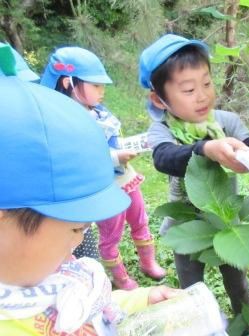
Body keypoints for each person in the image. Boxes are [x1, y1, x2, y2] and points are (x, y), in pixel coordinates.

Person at [139, 34, 249, 317]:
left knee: (238, 282)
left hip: (227, 224)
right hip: (187, 228)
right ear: (159, 99)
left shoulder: (227, 122)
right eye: (188, 90)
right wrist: (205, 148)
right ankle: (202, 325)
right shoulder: (163, 130)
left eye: (207, 83)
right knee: (192, 288)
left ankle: (245, 325)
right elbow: (164, 158)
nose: (202, 96)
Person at [0, 54, 179, 335]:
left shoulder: (49, 274)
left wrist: (141, 301)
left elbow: (93, 310)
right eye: (74, 228)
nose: (81, 239)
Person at [40, 47, 166, 289]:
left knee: (139, 218)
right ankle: (120, 277)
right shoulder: (63, 121)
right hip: (102, 188)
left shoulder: (98, 110)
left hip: (125, 179)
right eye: (96, 85)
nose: (102, 91)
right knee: (112, 233)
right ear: (69, 83)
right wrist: (116, 157)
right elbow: (79, 157)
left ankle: (147, 262)